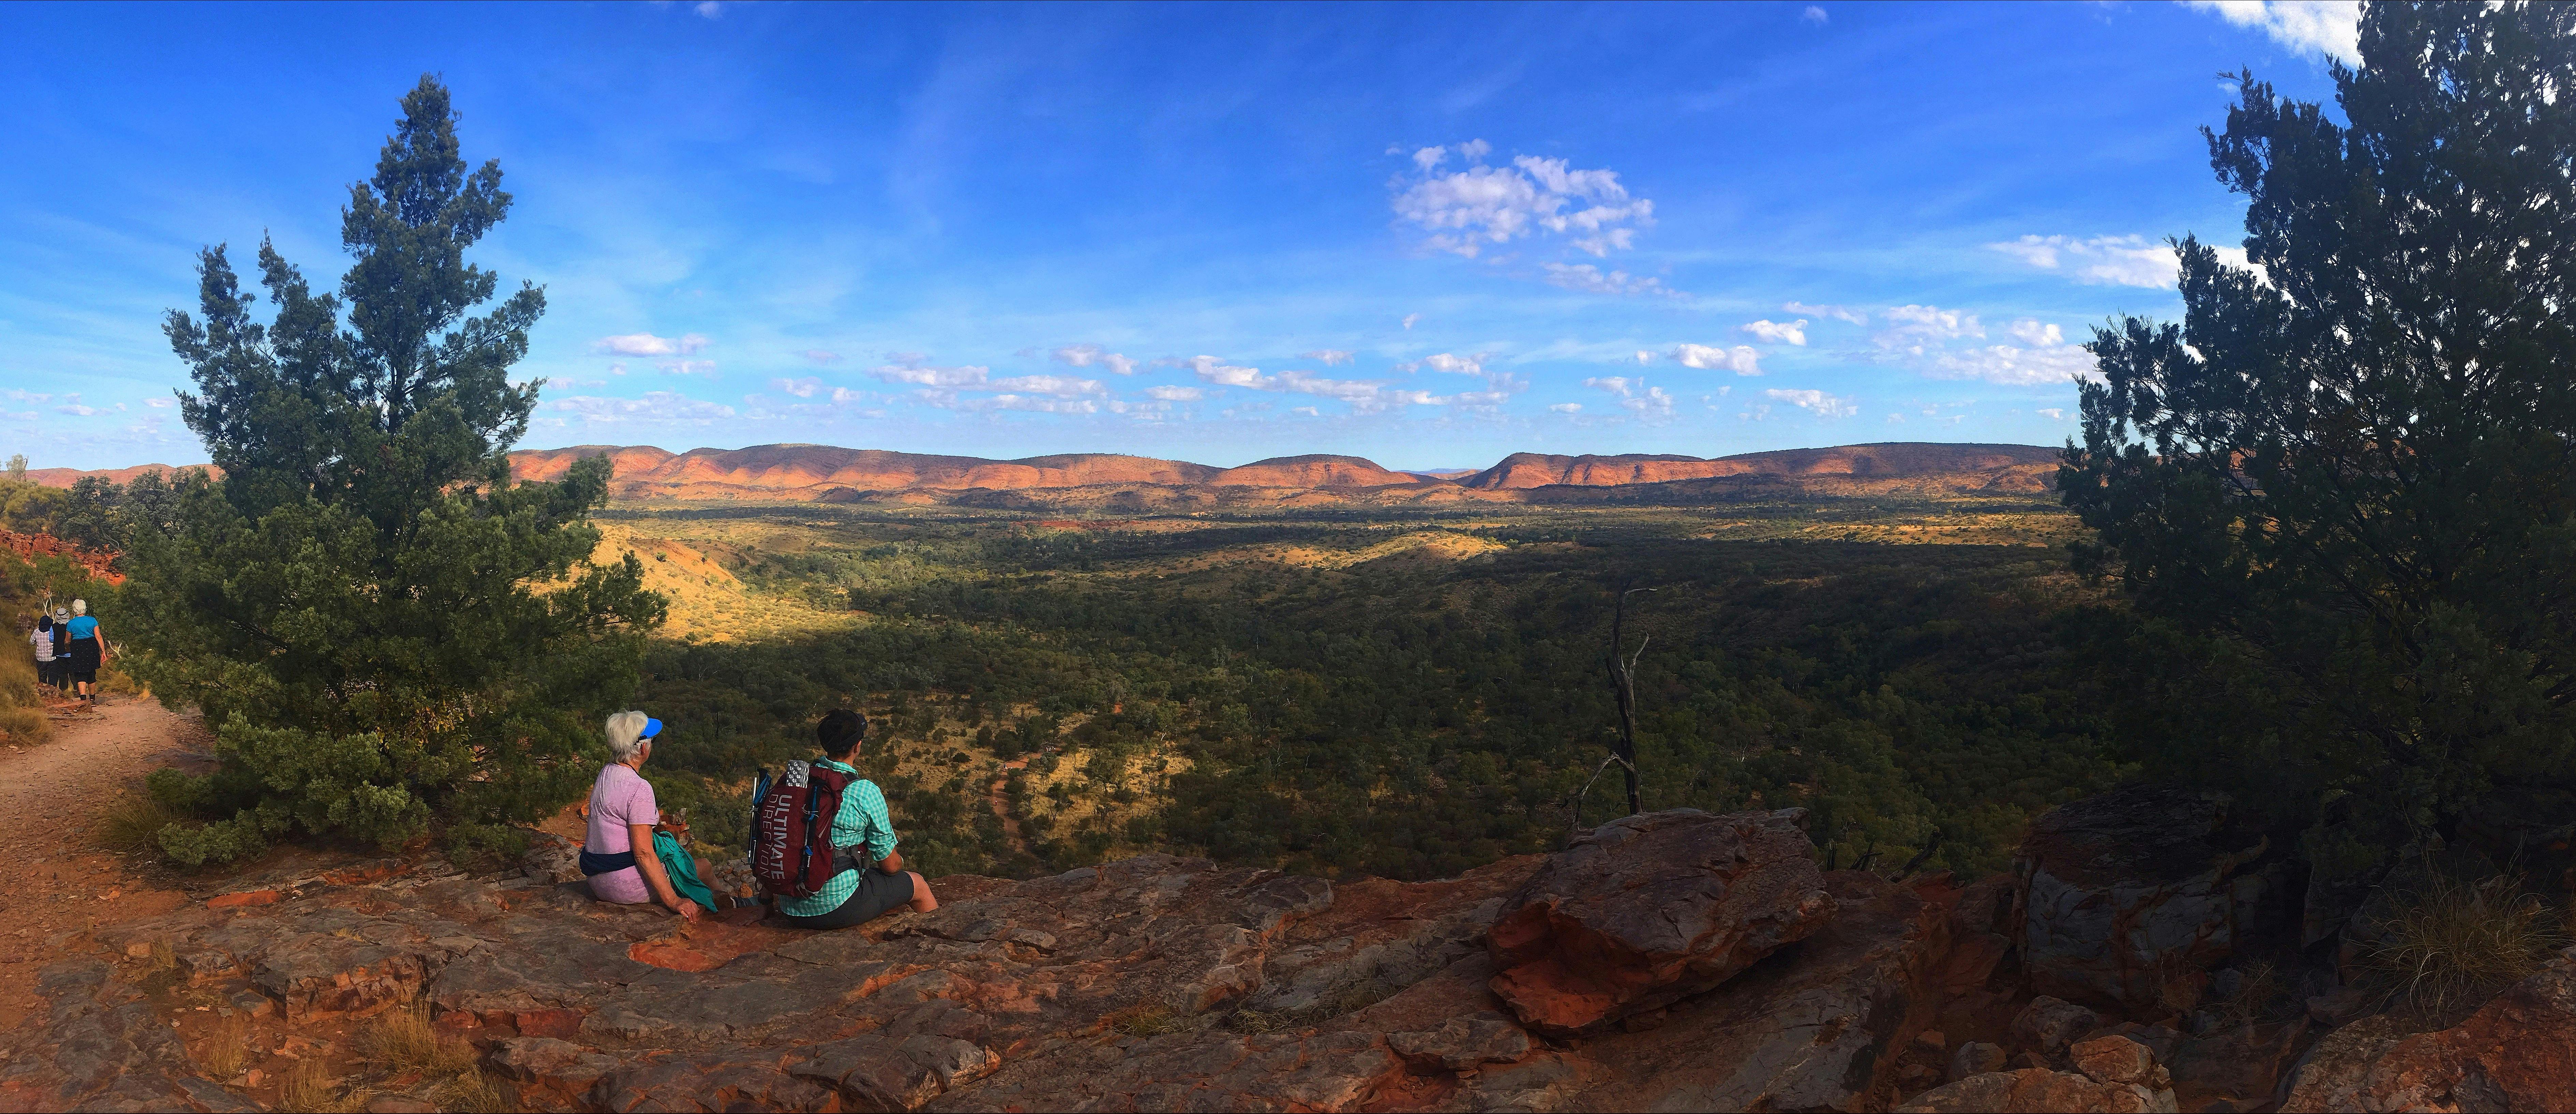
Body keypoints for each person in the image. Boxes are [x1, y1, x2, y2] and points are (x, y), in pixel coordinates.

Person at [777, 710, 938, 929]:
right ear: (857, 746)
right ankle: (941, 941)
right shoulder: (863, 791)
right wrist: (898, 863)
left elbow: (778, 836)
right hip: (836, 908)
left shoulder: (795, 780)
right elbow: (890, 866)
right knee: (918, 884)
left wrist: (768, 902)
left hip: (789, 906)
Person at [581, 711, 700, 919]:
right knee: (704, 868)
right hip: (622, 886)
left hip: (596, 879)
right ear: (644, 748)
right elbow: (643, 853)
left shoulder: (606, 773)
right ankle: (731, 909)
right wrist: (673, 900)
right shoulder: (639, 788)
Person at [62, 600, 104, 708]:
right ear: (85, 608)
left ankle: (83, 700)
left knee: (80, 674)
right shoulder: (92, 621)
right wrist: (103, 651)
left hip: (78, 648)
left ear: (75, 609)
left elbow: (67, 640)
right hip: (91, 647)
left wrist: (67, 647)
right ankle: (93, 699)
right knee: (91, 673)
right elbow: (98, 637)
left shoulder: (71, 623)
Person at [28, 615, 55, 694]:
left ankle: (44, 694)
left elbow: (31, 642)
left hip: (40, 658)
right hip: (52, 658)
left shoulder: (37, 632)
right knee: (52, 677)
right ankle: (53, 694)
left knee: (42, 677)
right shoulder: (52, 631)